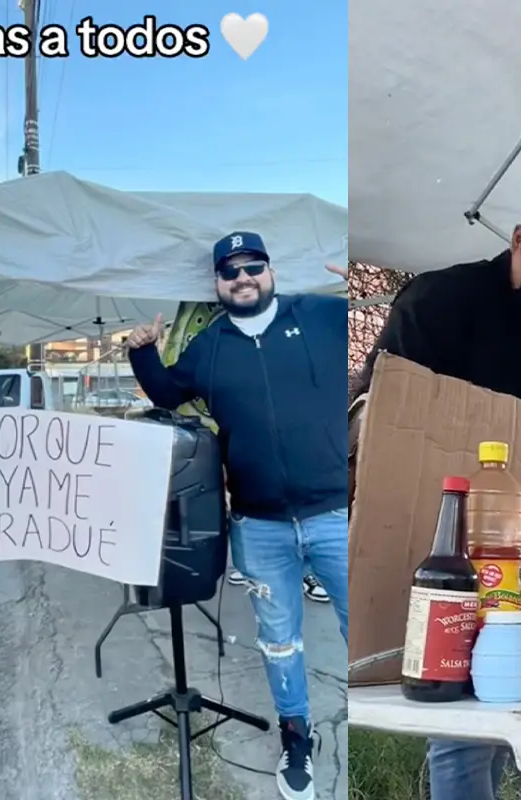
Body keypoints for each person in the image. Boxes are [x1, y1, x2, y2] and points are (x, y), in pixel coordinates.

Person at [357, 180, 521, 800]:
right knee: (460, 717)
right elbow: (386, 417)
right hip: (441, 538)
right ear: (519, 239)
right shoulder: (441, 300)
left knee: (512, 692)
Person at [126, 232, 348, 800]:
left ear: (271, 272)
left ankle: (382, 720)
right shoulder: (211, 345)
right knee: (279, 640)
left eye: (253, 267)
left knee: (364, 629)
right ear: (218, 284)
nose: (243, 277)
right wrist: (143, 351)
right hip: (259, 523)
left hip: (334, 516)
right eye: (230, 271)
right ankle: (297, 738)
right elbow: (169, 395)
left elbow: (393, 342)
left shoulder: (323, 315)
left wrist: (352, 288)